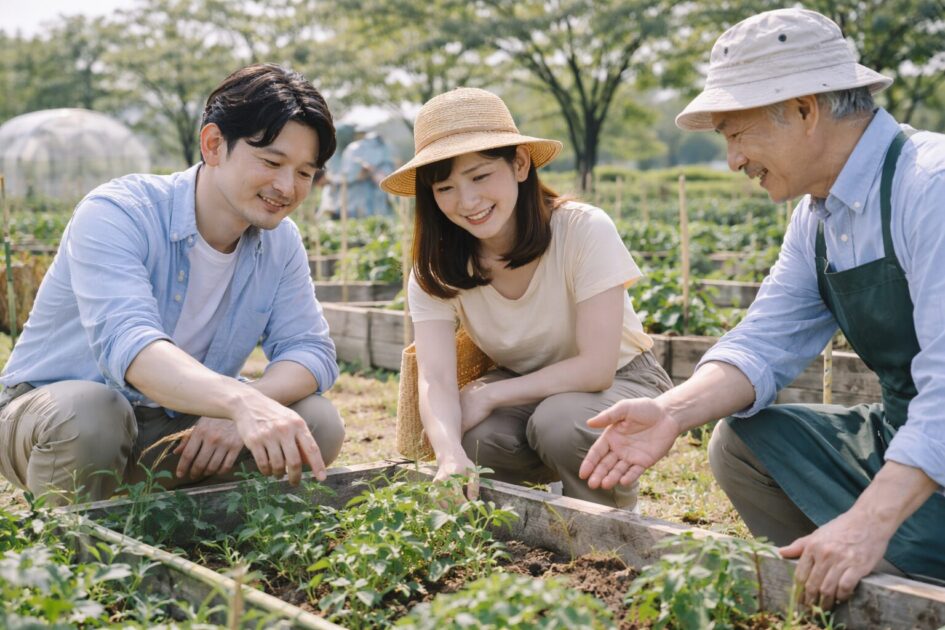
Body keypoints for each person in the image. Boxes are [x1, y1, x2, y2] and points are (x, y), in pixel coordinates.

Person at [579, 7, 945, 607]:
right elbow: (763, 342)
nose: (732, 160)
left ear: (805, 109)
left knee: (875, 533)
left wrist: (869, 521)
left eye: (736, 132)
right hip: (907, 436)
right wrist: (671, 412)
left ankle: (891, 573)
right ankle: (853, 586)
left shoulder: (930, 187)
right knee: (743, 443)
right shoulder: (818, 215)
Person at [0, 63, 346, 505]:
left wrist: (244, 400)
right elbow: (133, 348)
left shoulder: (280, 242)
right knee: (92, 413)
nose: (286, 186)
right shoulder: (119, 212)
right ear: (214, 144)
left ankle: (179, 513)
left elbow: (310, 351)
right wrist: (237, 404)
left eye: (304, 172)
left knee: (316, 421)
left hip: (171, 426)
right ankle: (72, 545)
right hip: (52, 419)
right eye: (271, 161)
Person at [379, 87, 672, 508]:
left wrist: (488, 394)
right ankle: (522, 522)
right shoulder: (436, 267)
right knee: (473, 437)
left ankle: (609, 523)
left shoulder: (582, 229)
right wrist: (449, 456)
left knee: (561, 422)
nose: (468, 201)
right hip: (527, 387)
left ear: (519, 164)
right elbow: (436, 379)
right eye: (445, 188)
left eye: (480, 176)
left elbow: (595, 369)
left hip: (623, 379)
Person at [339, 124, 395, 217]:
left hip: (377, 192)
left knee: (378, 214)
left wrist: (377, 173)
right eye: (359, 134)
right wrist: (362, 172)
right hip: (356, 192)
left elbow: (387, 167)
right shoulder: (353, 148)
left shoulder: (382, 148)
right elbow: (347, 173)